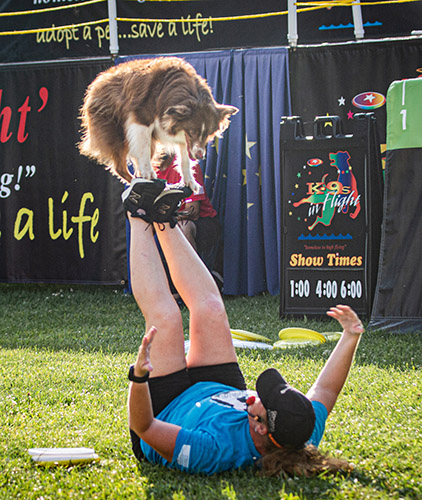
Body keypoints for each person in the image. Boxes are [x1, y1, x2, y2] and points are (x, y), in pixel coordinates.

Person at [123, 177, 364, 476]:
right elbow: (326, 389)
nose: (256, 396)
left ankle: (138, 215)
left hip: (166, 411)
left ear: (260, 428)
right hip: (217, 391)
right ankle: (164, 220)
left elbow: (144, 427)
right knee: (211, 308)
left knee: (166, 319)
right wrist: (350, 338)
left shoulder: (213, 450)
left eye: (263, 402)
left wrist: (140, 378)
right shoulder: (297, 431)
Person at [153, 147, 222, 273]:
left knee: (183, 227)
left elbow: (192, 212)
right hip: (165, 221)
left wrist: (161, 216)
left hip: (202, 223)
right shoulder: (148, 170)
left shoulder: (187, 166)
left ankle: (195, 282)